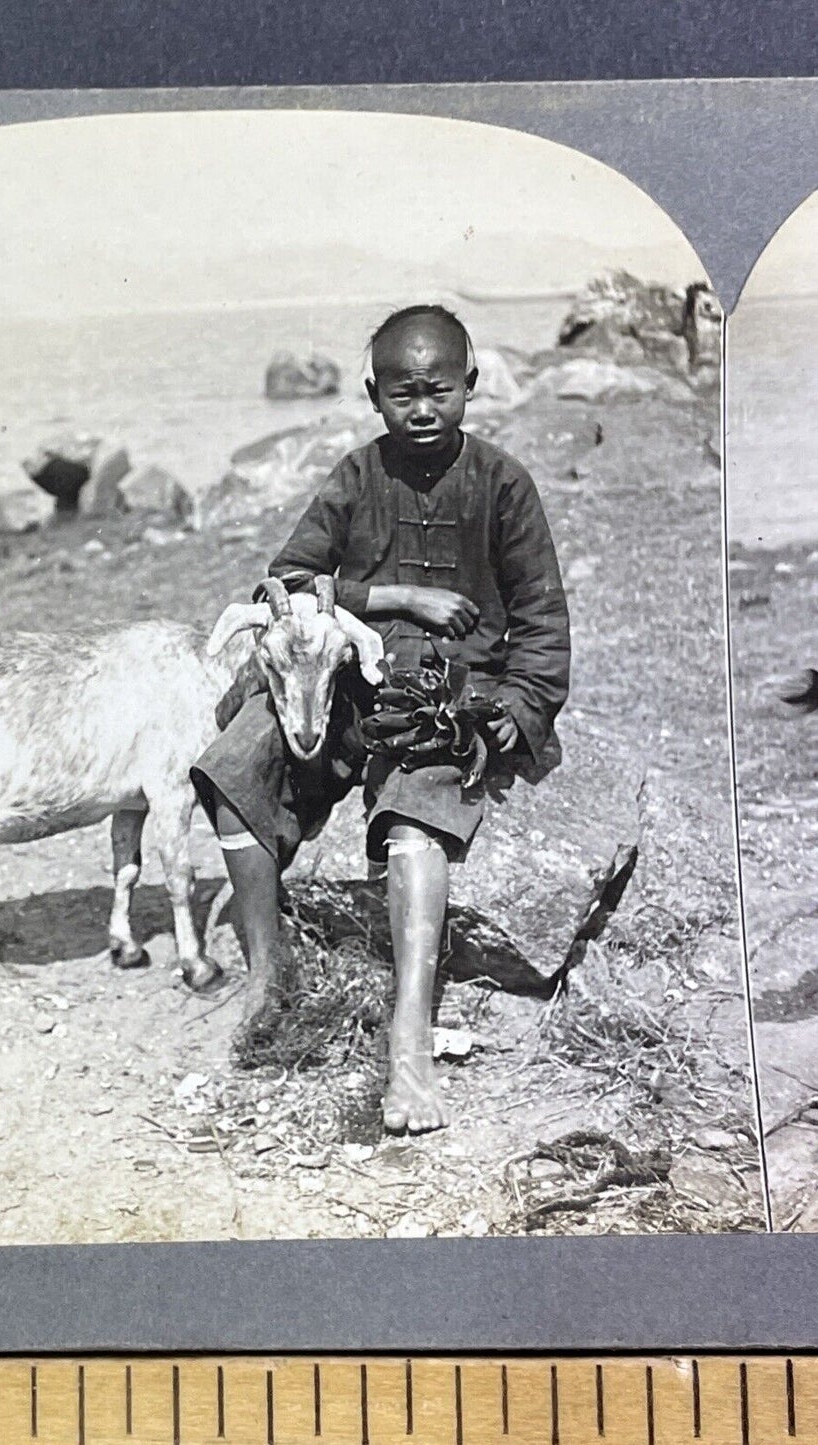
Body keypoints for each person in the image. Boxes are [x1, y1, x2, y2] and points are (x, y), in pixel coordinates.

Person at [191, 304, 570, 1134]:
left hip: (447, 699)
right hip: (344, 686)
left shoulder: (503, 485)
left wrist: (519, 705)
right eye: (403, 394)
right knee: (234, 768)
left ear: (470, 386)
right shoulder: (356, 477)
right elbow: (286, 582)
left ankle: (408, 1042)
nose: (422, 409)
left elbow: (542, 618)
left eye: (439, 390)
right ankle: (266, 976)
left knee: (411, 822)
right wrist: (393, 595)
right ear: (373, 395)